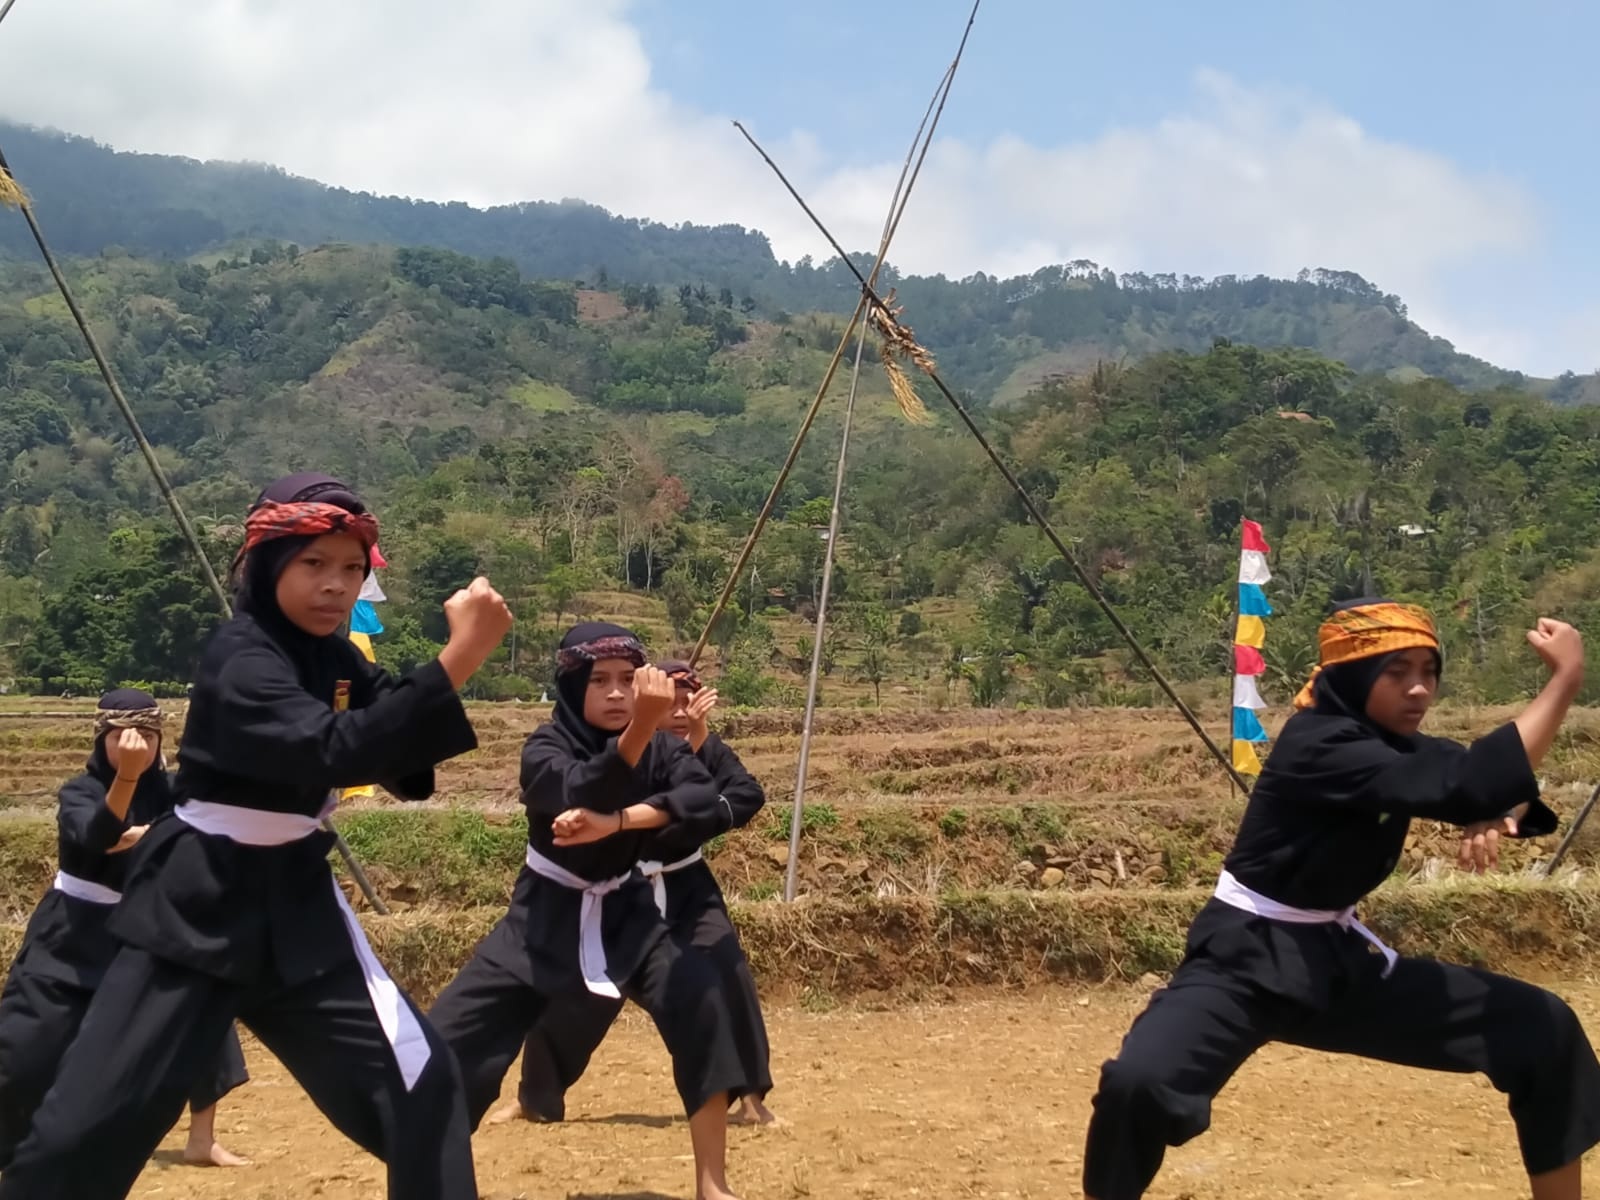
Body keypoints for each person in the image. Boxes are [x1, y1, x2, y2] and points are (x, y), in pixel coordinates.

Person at [0, 472, 511, 1200]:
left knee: (423, 1090)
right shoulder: (239, 657)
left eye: (350, 569)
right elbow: (331, 751)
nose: (335, 586)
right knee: (80, 1139)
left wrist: (422, 690)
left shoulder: (336, 657)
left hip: (297, 913)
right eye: (313, 564)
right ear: (268, 563)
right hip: (195, 910)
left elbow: (407, 773)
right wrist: (458, 660)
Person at [1081, 599, 1600, 1200]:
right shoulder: (1319, 744)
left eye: (1428, 671)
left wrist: (1491, 807)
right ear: (1354, 676)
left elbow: (1481, 780)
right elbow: (1470, 780)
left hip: (1336, 960)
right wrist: (1565, 679)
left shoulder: (1393, 743)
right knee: (1139, 1084)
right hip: (1244, 958)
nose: (1419, 690)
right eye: (1397, 671)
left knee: (1544, 1029)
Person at [428, 623, 753, 1200]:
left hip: (627, 910)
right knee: (444, 1047)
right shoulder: (545, 745)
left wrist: (624, 821)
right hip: (541, 920)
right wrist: (639, 735)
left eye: (629, 680)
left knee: (702, 1001)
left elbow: (703, 800)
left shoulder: (663, 746)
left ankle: (713, 1185)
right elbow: (578, 789)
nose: (616, 693)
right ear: (573, 686)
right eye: (599, 681)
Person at [504, 659, 777, 1127]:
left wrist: (697, 758)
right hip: (620, 887)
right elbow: (598, 800)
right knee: (575, 992)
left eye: (685, 701)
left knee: (727, 972)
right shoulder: (626, 753)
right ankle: (536, 1098)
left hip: (687, 885)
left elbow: (740, 796)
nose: (676, 710)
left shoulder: (704, 751)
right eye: (665, 701)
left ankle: (751, 1097)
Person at [0, 689, 248, 1171]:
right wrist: (130, 787)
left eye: (148, 736)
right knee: (26, 1047)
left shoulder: (174, 791)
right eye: (122, 736)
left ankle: (202, 1139)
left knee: (204, 1012)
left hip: (149, 925)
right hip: (72, 933)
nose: (137, 745)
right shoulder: (80, 791)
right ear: (101, 739)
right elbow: (96, 836)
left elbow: (205, 830)